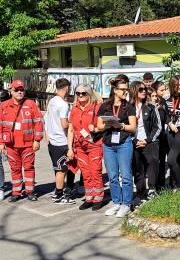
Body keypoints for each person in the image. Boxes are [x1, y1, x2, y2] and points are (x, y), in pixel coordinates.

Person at [0, 79, 44, 201]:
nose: (19, 92)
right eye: (16, 90)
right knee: (15, 169)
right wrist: (0, 143)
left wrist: (37, 140)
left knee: (29, 167)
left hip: (28, 144)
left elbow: (38, 123)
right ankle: (16, 192)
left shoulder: (31, 104)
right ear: (11, 91)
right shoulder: (4, 106)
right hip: (11, 145)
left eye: (21, 90)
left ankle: (30, 191)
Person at [97, 77, 137, 217]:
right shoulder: (105, 105)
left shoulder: (129, 106)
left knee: (126, 176)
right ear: (115, 90)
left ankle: (126, 203)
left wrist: (121, 126)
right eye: (122, 89)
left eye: (127, 89)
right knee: (112, 176)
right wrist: (108, 124)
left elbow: (133, 127)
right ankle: (116, 202)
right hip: (108, 144)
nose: (125, 92)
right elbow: (99, 125)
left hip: (123, 144)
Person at [67, 85, 105, 210]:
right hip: (79, 146)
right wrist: (70, 148)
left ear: (89, 94)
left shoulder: (97, 106)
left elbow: (103, 126)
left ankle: (98, 198)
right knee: (85, 173)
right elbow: (71, 130)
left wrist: (95, 128)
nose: (80, 96)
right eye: (78, 93)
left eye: (83, 93)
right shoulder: (74, 109)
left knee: (95, 172)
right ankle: (89, 198)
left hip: (94, 144)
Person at [44, 78, 76, 204]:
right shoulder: (63, 104)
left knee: (58, 168)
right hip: (61, 141)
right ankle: (59, 195)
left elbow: (47, 118)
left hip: (52, 140)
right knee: (62, 169)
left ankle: (59, 191)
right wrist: (72, 124)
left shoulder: (52, 101)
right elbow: (64, 124)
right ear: (67, 88)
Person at [130, 80, 162, 203]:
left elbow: (157, 126)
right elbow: (126, 127)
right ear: (134, 91)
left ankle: (152, 189)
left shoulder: (151, 106)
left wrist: (148, 140)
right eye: (141, 89)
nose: (144, 91)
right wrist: (134, 140)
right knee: (138, 169)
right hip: (134, 142)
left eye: (144, 89)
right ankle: (140, 194)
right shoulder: (128, 108)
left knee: (153, 163)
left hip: (149, 142)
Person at [152, 80, 170, 189]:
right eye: (161, 90)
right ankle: (152, 186)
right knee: (154, 161)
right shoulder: (150, 102)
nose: (164, 92)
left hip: (163, 135)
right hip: (153, 137)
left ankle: (161, 185)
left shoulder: (163, 101)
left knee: (162, 161)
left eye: (165, 89)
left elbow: (167, 116)